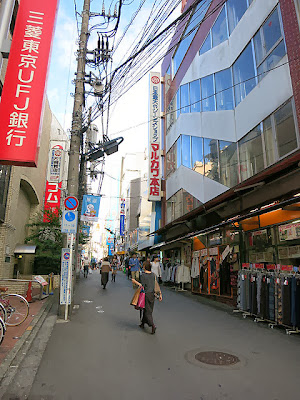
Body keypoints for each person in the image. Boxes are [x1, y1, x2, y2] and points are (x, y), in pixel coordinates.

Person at [132, 260, 162, 334]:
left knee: (147, 311)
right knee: (148, 309)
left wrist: (134, 281)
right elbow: (156, 285)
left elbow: (142, 286)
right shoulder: (153, 275)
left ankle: (152, 325)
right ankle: (142, 323)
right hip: (152, 295)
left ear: (145, 267)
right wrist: (160, 294)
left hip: (145, 294)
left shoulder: (143, 275)